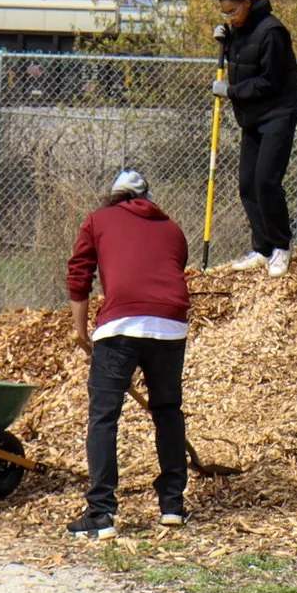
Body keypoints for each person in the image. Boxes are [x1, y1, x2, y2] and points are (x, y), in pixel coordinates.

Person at [65, 167, 193, 539]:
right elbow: (171, 269)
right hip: (170, 325)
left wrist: (80, 330)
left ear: (113, 196)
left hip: (119, 326)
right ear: (146, 197)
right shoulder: (172, 228)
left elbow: (79, 274)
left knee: (104, 416)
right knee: (167, 411)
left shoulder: (98, 220)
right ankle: (172, 506)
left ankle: (101, 513)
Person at [207, 0, 297, 276]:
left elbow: (270, 81)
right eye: (224, 13)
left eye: (232, 11)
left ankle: (280, 247)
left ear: (248, 2)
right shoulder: (239, 31)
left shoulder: (272, 32)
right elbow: (242, 56)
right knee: (247, 184)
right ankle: (262, 247)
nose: (229, 17)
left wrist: (231, 90)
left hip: (277, 114)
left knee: (266, 182)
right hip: (252, 118)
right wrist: (226, 39)